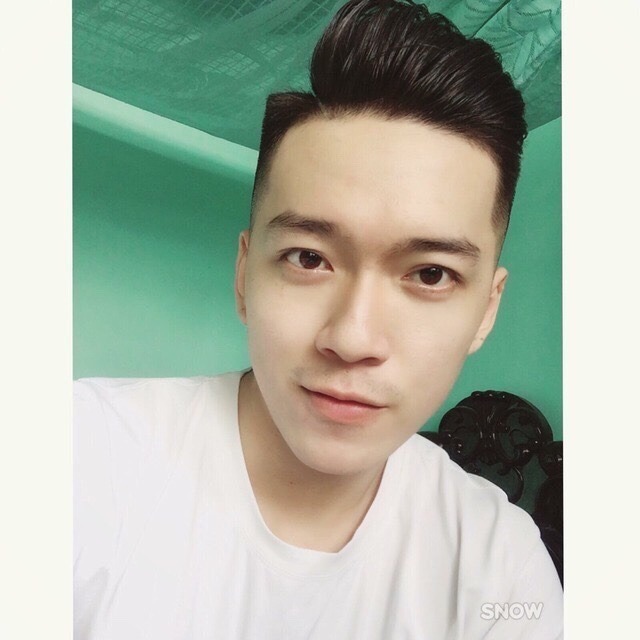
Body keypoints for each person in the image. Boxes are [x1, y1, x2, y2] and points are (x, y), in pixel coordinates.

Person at [74, 0, 563, 638]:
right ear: (244, 275)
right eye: (309, 258)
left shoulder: (501, 569)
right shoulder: (78, 460)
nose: (353, 338)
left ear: (486, 310)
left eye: (430, 274)